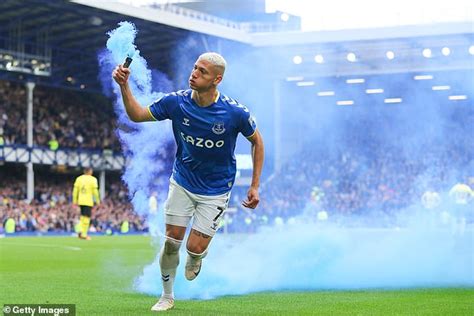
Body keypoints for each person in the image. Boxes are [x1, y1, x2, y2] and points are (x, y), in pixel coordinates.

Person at [112, 52, 264, 312]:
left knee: (194, 248)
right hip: (182, 182)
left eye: (202, 71)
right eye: (194, 67)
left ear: (217, 79)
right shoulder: (177, 102)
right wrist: (124, 85)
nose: (194, 73)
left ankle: (196, 256)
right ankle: (167, 296)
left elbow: (257, 142)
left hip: (216, 190)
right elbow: (137, 115)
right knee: (172, 241)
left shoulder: (235, 112)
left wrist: (254, 185)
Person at [72, 167, 100, 240]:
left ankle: (80, 232)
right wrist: (97, 201)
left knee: (82, 217)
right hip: (88, 201)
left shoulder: (79, 179)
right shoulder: (93, 179)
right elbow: (95, 191)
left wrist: (74, 200)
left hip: (80, 200)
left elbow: (75, 190)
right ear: (90, 171)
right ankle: (84, 234)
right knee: (87, 218)